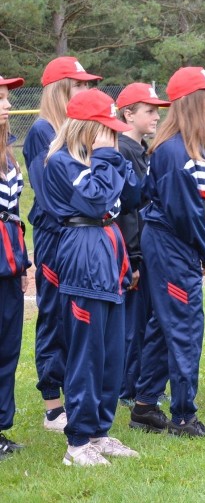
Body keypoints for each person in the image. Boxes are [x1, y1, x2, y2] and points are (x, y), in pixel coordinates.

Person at [42, 89, 139, 465]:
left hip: (109, 251)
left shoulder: (102, 159)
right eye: (106, 129)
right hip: (84, 250)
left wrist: (116, 158)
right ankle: (78, 443)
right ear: (86, 128)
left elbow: (133, 196)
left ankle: (99, 432)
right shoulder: (62, 163)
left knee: (112, 354)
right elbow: (96, 201)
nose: (112, 137)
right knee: (87, 353)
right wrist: (104, 158)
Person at [129, 67, 205, 436]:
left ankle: (144, 407)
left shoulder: (195, 145)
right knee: (184, 326)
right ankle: (183, 416)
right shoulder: (173, 152)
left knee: (162, 327)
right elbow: (184, 213)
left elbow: (198, 208)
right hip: (172, 244)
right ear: (191, 102)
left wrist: (204, 246)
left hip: (180, 242)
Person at [23, 56, 100, 433]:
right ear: (60, 89)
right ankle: (53, 406)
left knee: (76, 316)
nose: (86, 90)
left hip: (76, 234)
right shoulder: (42, 130)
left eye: (88, 85)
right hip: (57, 236)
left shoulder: (73, 128)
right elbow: (51, 194)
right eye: (79, 84)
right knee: (54, 315)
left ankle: (75, 393)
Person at [114, 83, 171, 408]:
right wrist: (133, 258)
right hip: (131, 250)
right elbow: (127, 211)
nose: (155, 116)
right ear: (128, 114)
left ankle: (138, 383)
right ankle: (128, 387)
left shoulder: (141, 149)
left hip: (144, 248)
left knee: (144, 319)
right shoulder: (122, 150)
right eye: (148, 110)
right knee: (132, 325)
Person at [0, 73, 29, 459]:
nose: (7, 104)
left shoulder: (8, 152)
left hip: (8, 265)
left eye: (7, 98)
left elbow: (17, 215)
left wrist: (23, 265)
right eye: (1, 98)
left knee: (7, 350)